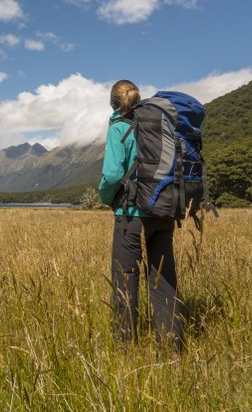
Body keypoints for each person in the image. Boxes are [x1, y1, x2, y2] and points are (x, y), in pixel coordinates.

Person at [98, 79, 184, 351]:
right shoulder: (160, 124)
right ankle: (173, 348)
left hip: (131, 214)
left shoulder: (119, 127)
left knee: (126, 279)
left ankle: (125, 347)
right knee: (163, 279)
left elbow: (112, 174)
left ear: (113, 102)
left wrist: (105, 197)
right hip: (162, 211)